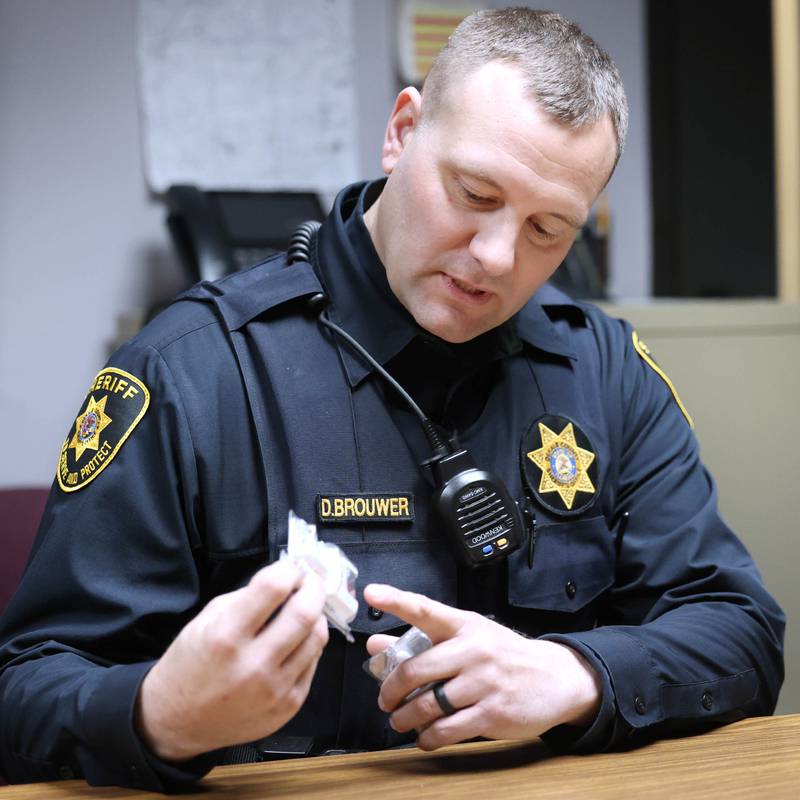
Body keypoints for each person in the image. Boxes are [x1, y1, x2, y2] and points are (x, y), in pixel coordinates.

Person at [0, 7, 784, 792]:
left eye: (549, 230)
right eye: (475, 193)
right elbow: (25, 689)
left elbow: (742, 631)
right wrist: (158, 716)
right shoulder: (193, 372)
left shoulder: (604, 367)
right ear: (402, 132)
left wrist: (574, 674)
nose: (497, 258)